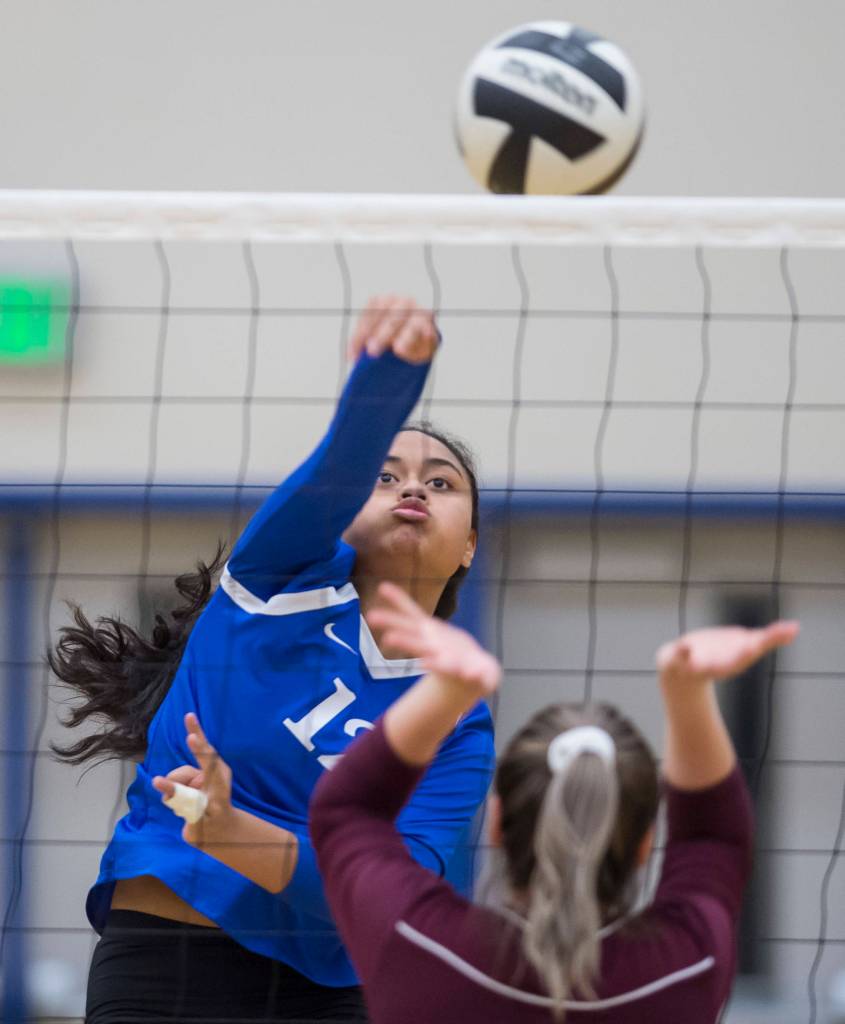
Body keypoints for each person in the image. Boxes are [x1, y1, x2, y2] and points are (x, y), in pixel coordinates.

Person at [50, 298, 495, 1023]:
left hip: (331, 997)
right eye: (386, 477)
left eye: (441, 483)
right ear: (348, 509)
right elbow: (336, 463)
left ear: (470, 543)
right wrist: (390, 377)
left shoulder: (456, 717)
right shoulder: (277, 582)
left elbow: (394, 896)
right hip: (171, 963)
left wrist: (237, 833)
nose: (413, 487)